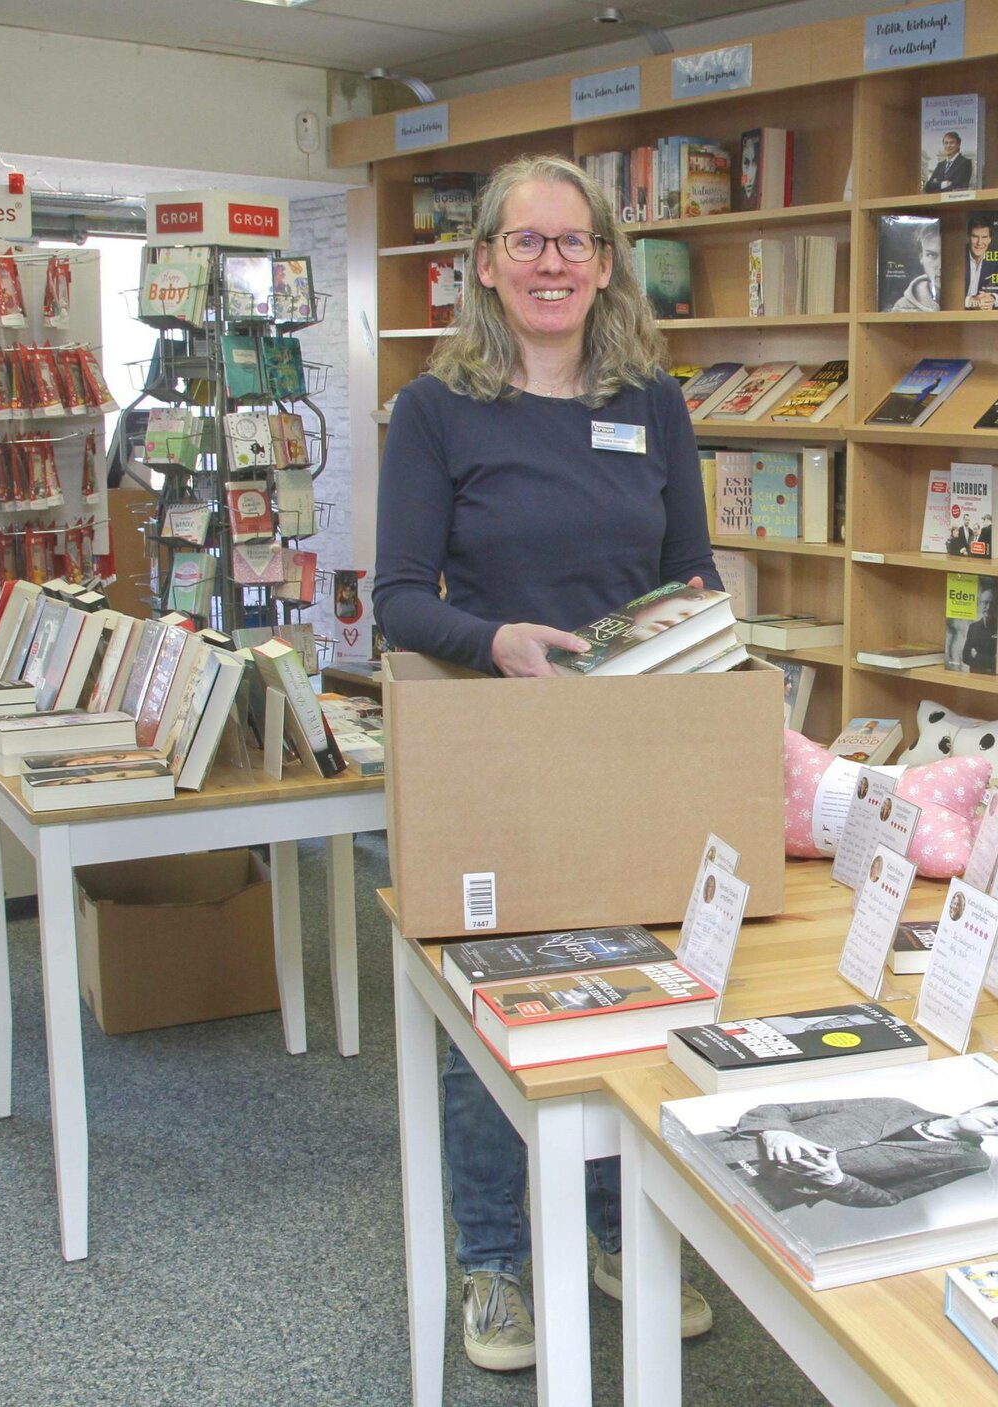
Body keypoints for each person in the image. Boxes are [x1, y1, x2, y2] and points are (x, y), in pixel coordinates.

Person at [373, 152, 719, 1373]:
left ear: (607, 263)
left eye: (575, 243)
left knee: (632, 994)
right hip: (494, 748)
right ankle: (495, 1261)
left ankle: (613, 1226)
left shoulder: (652, 402)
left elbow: (693, 578)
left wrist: (696, 637)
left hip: (630, 744)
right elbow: (398, 602)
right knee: (497, 1014)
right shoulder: (435, 412)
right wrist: (495, 640)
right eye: (526, 243)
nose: (552, 264)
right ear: (481, 263)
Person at [700, 1096, 998, 1210]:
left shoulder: (969, 1160)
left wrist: (837, 1181)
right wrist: (776, 1131)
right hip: (721, 1149)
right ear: (992, 1104)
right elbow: (784, 1109)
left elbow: (891, 1198)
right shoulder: (893, 1104)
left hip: (762, 1195)